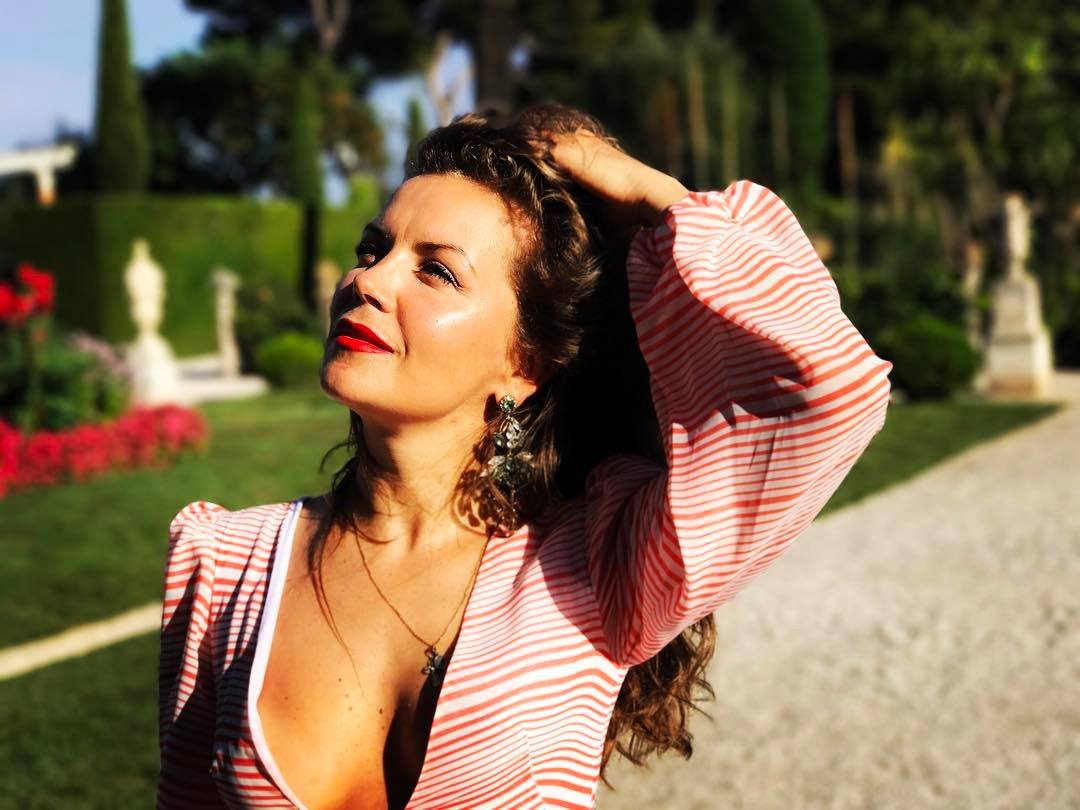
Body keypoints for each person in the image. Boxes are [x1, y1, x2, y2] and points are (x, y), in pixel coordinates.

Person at [158, 103, 893, 810]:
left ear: (525, 363)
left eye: (436, 271)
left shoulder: (596, 565)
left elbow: (831, 390)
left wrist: (650, 194)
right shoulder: (224, 563)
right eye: (373, 250)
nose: (367, 282)